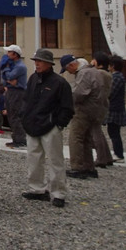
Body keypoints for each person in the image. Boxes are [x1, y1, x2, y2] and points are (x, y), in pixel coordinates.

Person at [20, 49, 74, 208]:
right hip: (32, 124)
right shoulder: (33, 78)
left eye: (40, 61)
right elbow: (26, 100)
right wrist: (24, 117)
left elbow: (67, 107)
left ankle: (58, 193)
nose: (37, 63)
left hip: (50, 126)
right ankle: (36, 189)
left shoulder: (59, 83)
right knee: (33, 159)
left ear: (49, 64)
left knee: (55, 160)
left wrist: (59, 124)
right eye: (36, 61)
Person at [64, 54, 110, 180]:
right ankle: (89, 167)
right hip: (97, 109)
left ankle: (78, 167)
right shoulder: (95, 72)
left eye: (68, 69)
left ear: (72, 65)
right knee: (87, 138)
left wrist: (66, 100)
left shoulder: (84, 74)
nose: (69, 72)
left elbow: (79, 94)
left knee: (76, 137)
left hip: (84, 110)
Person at [1, 45, 27, 149]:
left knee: (15, 116)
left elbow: (10, 77)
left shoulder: (20, 66)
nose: (7, 55)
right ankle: (16, 139)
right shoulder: (14, 65)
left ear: (15, 54)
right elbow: (6, 79)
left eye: (9, 52)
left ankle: (20, 141)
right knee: (11, 115)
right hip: (11, 91)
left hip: (17, 92)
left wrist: (6, 69)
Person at [105, 56, 126, 162]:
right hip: (115, 107)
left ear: (112, 66)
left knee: (114, 132)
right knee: (113, 132)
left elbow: (110, 92)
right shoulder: (118, 77)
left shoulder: (117, 77)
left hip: (115, 108)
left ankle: (119, 154)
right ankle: (117, 153)